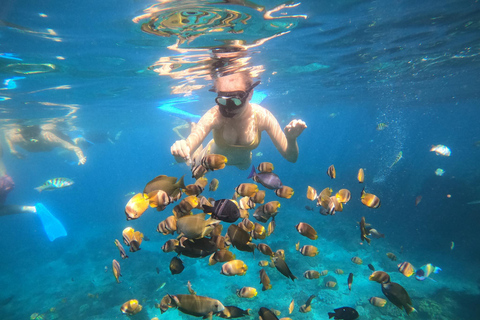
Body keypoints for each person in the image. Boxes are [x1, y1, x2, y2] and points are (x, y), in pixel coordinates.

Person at [170, 71, 306, 169]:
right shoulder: (214, 116)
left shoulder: (263, 117)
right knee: (192, 164)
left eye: (236, 99)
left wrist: (291, 139)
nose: (228, 108)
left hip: (244, 164)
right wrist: (180, 151)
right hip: (211, 159)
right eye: (222, 99)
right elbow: (184, 154)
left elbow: (291, 158)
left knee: (244, 169)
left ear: (250, 94)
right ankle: (193, 126)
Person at [3, 124, 87, 165]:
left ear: (38, 132)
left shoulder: (48, 137)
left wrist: (81, 157)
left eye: (34, 136)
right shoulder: (16, 137)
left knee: (70, 143)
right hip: (43, 147)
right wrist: (12, 149)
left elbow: (74, 148)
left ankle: (77, 139)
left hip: (49, 144)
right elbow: (7, 135)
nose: (32, 139)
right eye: (28, 137)